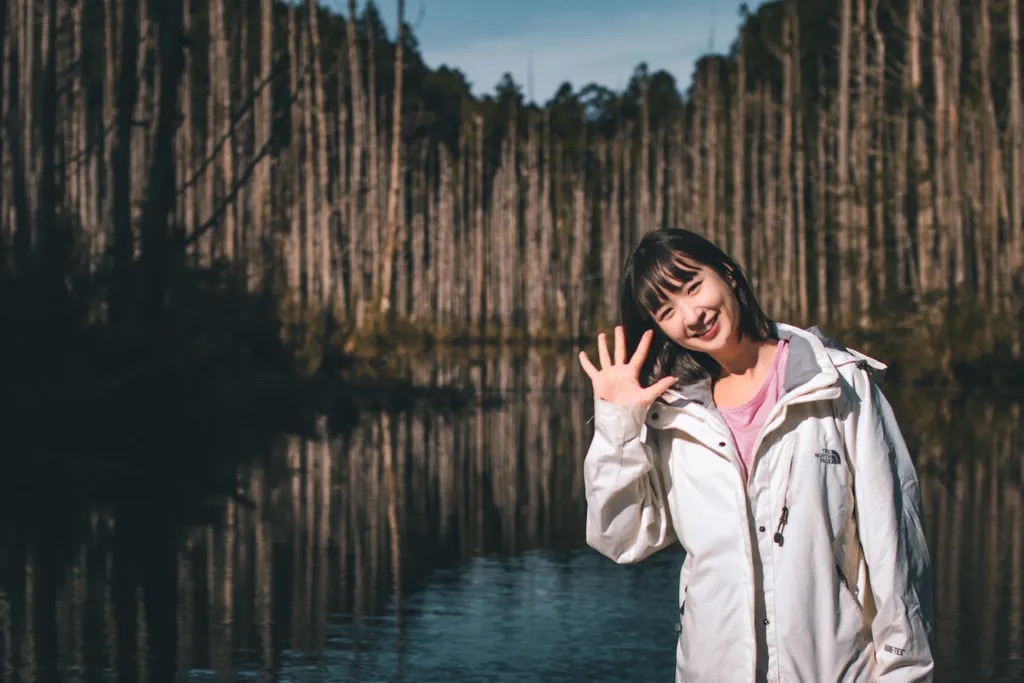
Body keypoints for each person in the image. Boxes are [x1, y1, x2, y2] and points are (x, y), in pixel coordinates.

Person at [578, 228, 935, 682]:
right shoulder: (674, 415)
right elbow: (621, 538)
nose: (692, 315)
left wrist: (906, 672)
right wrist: (618, 423)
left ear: (727, 272)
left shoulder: (835, 382)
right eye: (667, 311)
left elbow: (894, 543)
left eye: (694, 287)